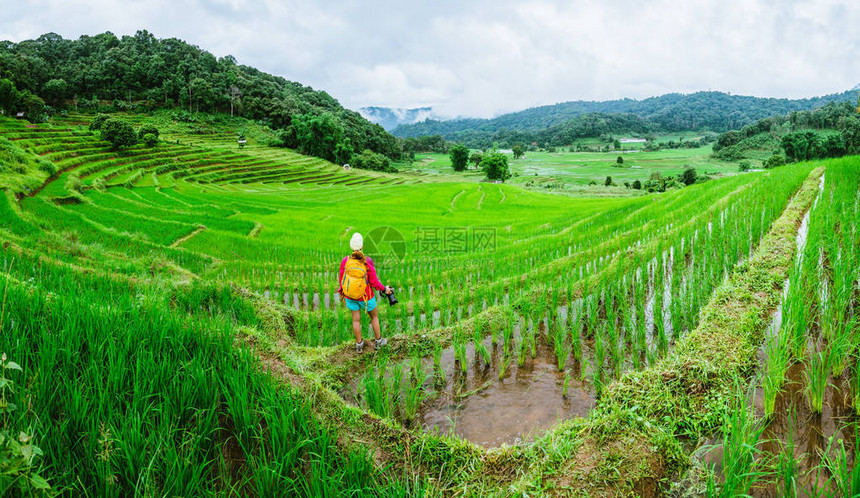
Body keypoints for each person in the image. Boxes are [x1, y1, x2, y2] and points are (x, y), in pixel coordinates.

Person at [338, 232, 393, 352]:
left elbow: (341, 279)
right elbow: (374, 282)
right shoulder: (367, 261)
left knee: (355, 320)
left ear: (351, 246)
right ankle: (379, 342)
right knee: (374, 317)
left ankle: (359, 345)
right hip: (366, 297)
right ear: (362, 246)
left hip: (350, 296)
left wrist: (342, 292)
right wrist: (385, 289)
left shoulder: (345, 261)